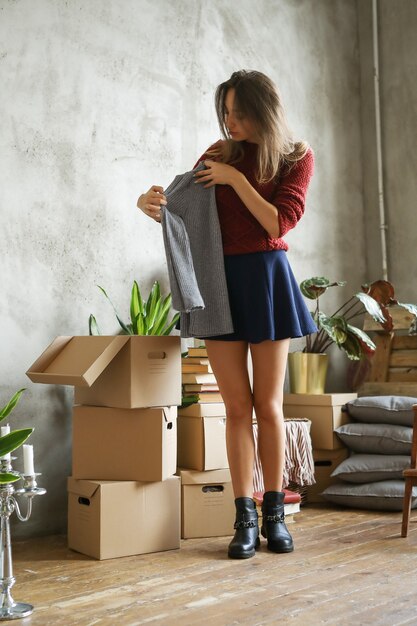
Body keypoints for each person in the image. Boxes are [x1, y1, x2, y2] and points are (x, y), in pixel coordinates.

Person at [137, 70, 316, 559]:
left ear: (264, 109)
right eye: (226, 112)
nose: (230, 122)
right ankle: (244, 519)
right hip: (217, 282)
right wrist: (151, 204)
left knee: (268, 406)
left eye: (239, 112)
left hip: (267, 281)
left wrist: (236, 179)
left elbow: (279, 222)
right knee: (235, 409)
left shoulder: (296, 156)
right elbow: (182, 208)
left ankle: (276, 516)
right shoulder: (217, 152)